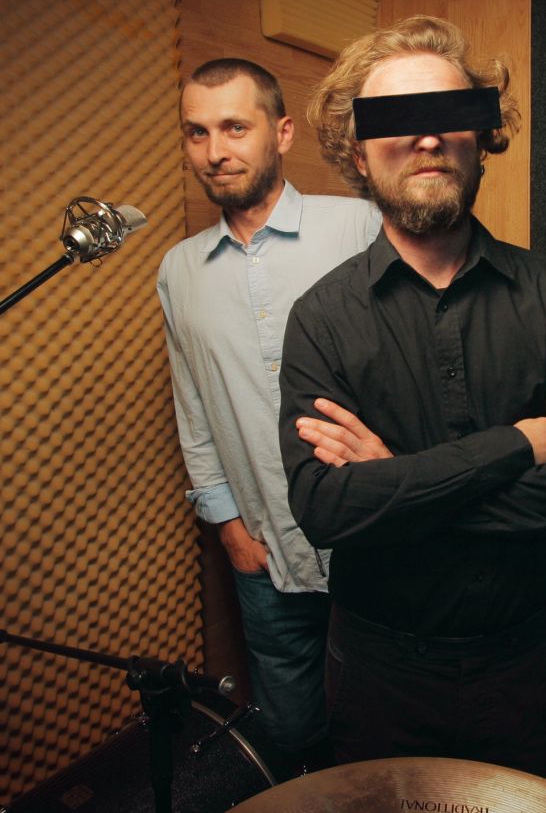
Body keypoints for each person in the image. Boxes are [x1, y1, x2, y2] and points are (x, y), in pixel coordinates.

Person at [277, 15, 546, 780]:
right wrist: (516, 444)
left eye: (449, 113)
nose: (428, 137)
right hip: (378, 676)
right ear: (358, 151)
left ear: (481, 136)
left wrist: (395, 484)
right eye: (396, 119)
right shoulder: (321, 318)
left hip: (521, 668)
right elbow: (326, 509)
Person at [157, 58, 380, 775]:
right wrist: (226, 523)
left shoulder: (359, 225)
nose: (214, 150)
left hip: (375, 538)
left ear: (281, 133)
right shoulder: (179, 270)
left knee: (384, 725)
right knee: (290, 730)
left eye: (234, 127)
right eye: (197, 132)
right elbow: (192, 402)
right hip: (264, 546)